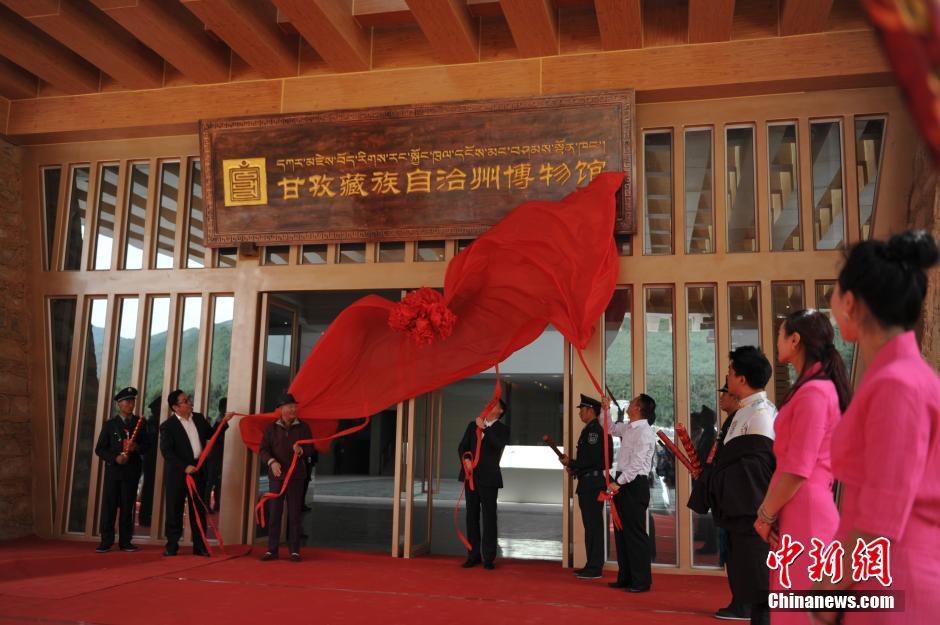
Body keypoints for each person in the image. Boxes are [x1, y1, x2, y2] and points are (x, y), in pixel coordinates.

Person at [812, 231, 940, 625]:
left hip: (894, 579)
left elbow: (880, 517)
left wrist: (826, 592)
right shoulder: (898, 377)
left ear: (850, 302)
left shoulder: (896, 384)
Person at [752, 309, 850, 624]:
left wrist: (765, 514)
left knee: (798, 609)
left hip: (806, 511)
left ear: (794, 340)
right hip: (797, 507)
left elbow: (797, 468)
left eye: (780, 334)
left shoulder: (814, 393)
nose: (776, 341)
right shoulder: (811, 389)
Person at [695, 347, 776, 625]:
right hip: (738, 515)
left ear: (741, 378)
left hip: (751, 515)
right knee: (749, 587)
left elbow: (754, 473)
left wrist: (716, 480)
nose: (727, 377)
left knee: (761, 594)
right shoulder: (745, 411)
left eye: (730, 372)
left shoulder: (761, 414)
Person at [160, 389, 228, 556]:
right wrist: (184, 467)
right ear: (175, 407)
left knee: (198, 508)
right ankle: (172, 545)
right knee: (174, 508)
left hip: (198, 470)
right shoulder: (167, 426)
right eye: (185, 401)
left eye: (188, 399)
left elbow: (212, 435)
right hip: (178, 472)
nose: (190, 402)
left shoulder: (198, 418)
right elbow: (167, 452)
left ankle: (200, 545)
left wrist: (224, 422)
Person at [604, 394, 656, 593]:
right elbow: (609, 428)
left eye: (633, 402)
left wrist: (619, 482)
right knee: (621, 532)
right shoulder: (629, 427)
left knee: (634, 533)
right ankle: (625, 576)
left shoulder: (644, 432)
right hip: (623, 481)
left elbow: (636, 465)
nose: (629, 404)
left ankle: (641, 581)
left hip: (633, 484)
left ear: (639, 408)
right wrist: (606, 409)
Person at [559, 394, 613, 580]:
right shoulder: (592, 430)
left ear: (591, 410)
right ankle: (592, 564)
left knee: (593, 526)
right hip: (589, 482)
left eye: (582, 409)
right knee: (591, 526)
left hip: (592, 484)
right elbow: (590, 461)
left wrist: (573, 463)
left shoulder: (594, 431)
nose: (580, 412)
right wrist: (574, 467)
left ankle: (595, 566)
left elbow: (590, 460)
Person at [259, 393, 314, 562]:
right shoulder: (271, 428)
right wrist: (271, 462)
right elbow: (263, 450)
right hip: (276, 477)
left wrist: (302, 451)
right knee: (275, 513)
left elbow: (311, 449)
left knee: (295, 514)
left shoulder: (303, 428)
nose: (293, 409)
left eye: (294, 406)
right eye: (290, 406)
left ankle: (295, 550)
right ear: (281, 409)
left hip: (296, 477)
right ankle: (272, 550)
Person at [94, 386, 149, 553]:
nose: (130, 404)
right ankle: (106, 541)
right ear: (119, 404)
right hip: (114, 472)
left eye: (133, 401)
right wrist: (115, 457)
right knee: (109, 506)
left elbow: (147, 446)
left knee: (128, 507)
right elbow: (100, 449)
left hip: (131, 472)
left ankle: (125, 541)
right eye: (127, 401)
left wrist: (136, 447)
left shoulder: (140, 423)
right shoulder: (110, 424)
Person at [457, 398, 509, 570]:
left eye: (494, 405)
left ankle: (489, 557)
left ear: (500, 411)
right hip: (471, 476)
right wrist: (466, 460)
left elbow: (498, 445)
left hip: (489, 479)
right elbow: (463, 446)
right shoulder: (473, 425)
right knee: (471, 516)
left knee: (489, 517)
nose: (489, 406)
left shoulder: (501, 429)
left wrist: (485, 428)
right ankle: (473, 555)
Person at [137, 396, 162, 527]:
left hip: (159, 460)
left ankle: (154, 516)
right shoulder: (150, 424)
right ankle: (145, 517)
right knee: (149, 488)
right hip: (151, 460)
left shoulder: (160, 423)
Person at [202, 397, 229, 513]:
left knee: (218, 482)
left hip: (221, 455)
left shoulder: (222, 421)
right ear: (222, 408)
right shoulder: (219, 422)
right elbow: (215, 437)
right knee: (211, 481)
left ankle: (217, 504)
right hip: (215, 456)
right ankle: (206, 505)